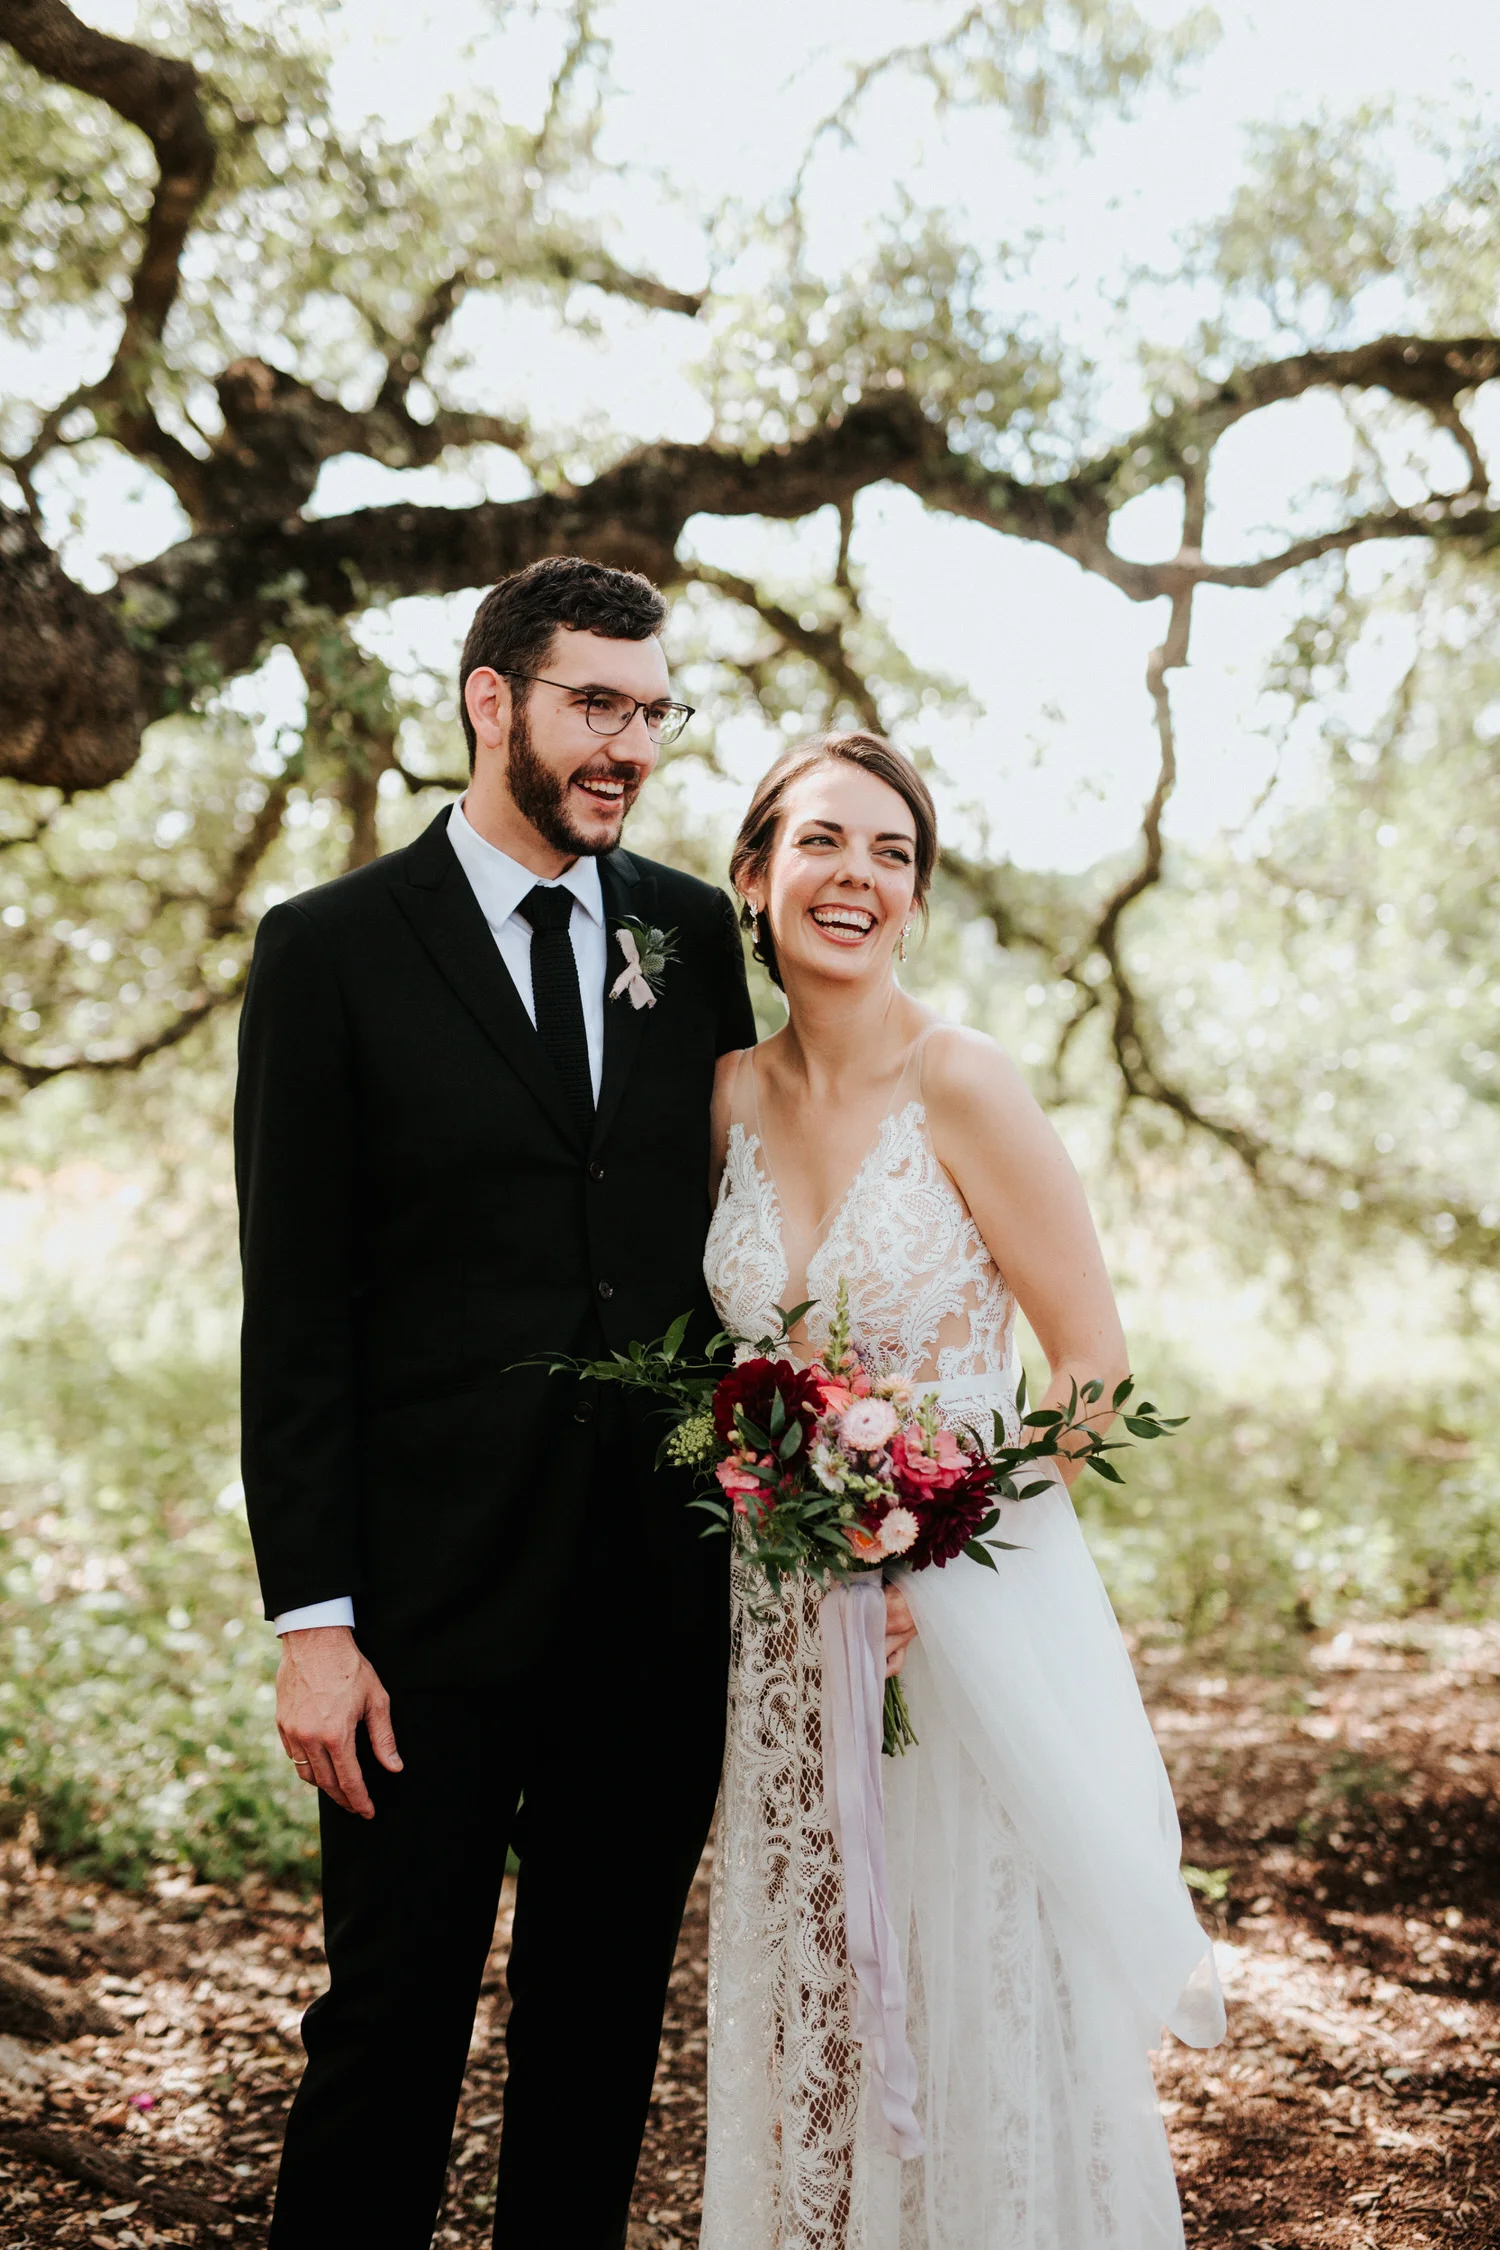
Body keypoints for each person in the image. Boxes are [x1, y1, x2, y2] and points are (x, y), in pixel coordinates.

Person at [234, 556, 755, 2248]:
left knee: (598, 2043)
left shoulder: (686, 933)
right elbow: (296, 1313)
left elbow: (740, 1250)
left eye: (651, 711)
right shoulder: (328, 950)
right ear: (491, 699)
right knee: (386, 2035)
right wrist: (314, 1621)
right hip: (421, 1622)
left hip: (651, 1612)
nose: (628, 745)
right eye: (594, 703)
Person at [700, 731, 1224, 2250]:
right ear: (755, 874)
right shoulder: (724, 1097)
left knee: (967, 1972)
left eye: (892, 855)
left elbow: (1090, 1368)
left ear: (915, 901)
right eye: (822, 843)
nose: (856, 876)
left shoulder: (964, 1082)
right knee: (816, 1984)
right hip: (780, 1627)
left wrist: (934, 1543)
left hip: (952, 1617)